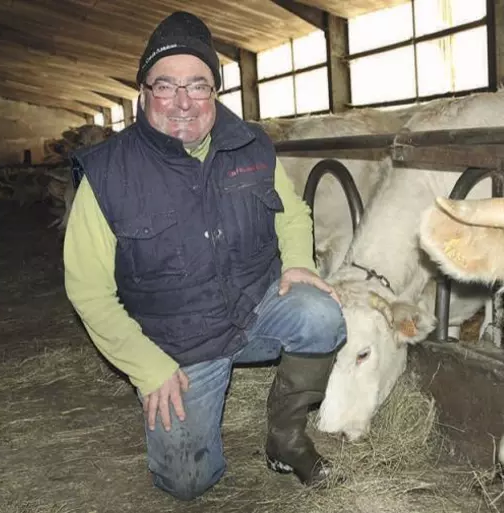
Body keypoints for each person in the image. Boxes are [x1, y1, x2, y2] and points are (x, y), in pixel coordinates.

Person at [63, 10, 347, 501]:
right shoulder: (108, 174)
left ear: (214, 92)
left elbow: (291, 213)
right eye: (166, 86)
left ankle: (286, 439)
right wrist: (148, 367)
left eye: (197, 86)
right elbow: (87, 289)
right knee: (188, 483)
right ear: (144, 92)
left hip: (251, 308)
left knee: (321, 314)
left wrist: (299, 261)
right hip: (179, 341)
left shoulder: (250, 143)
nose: (182, 103)